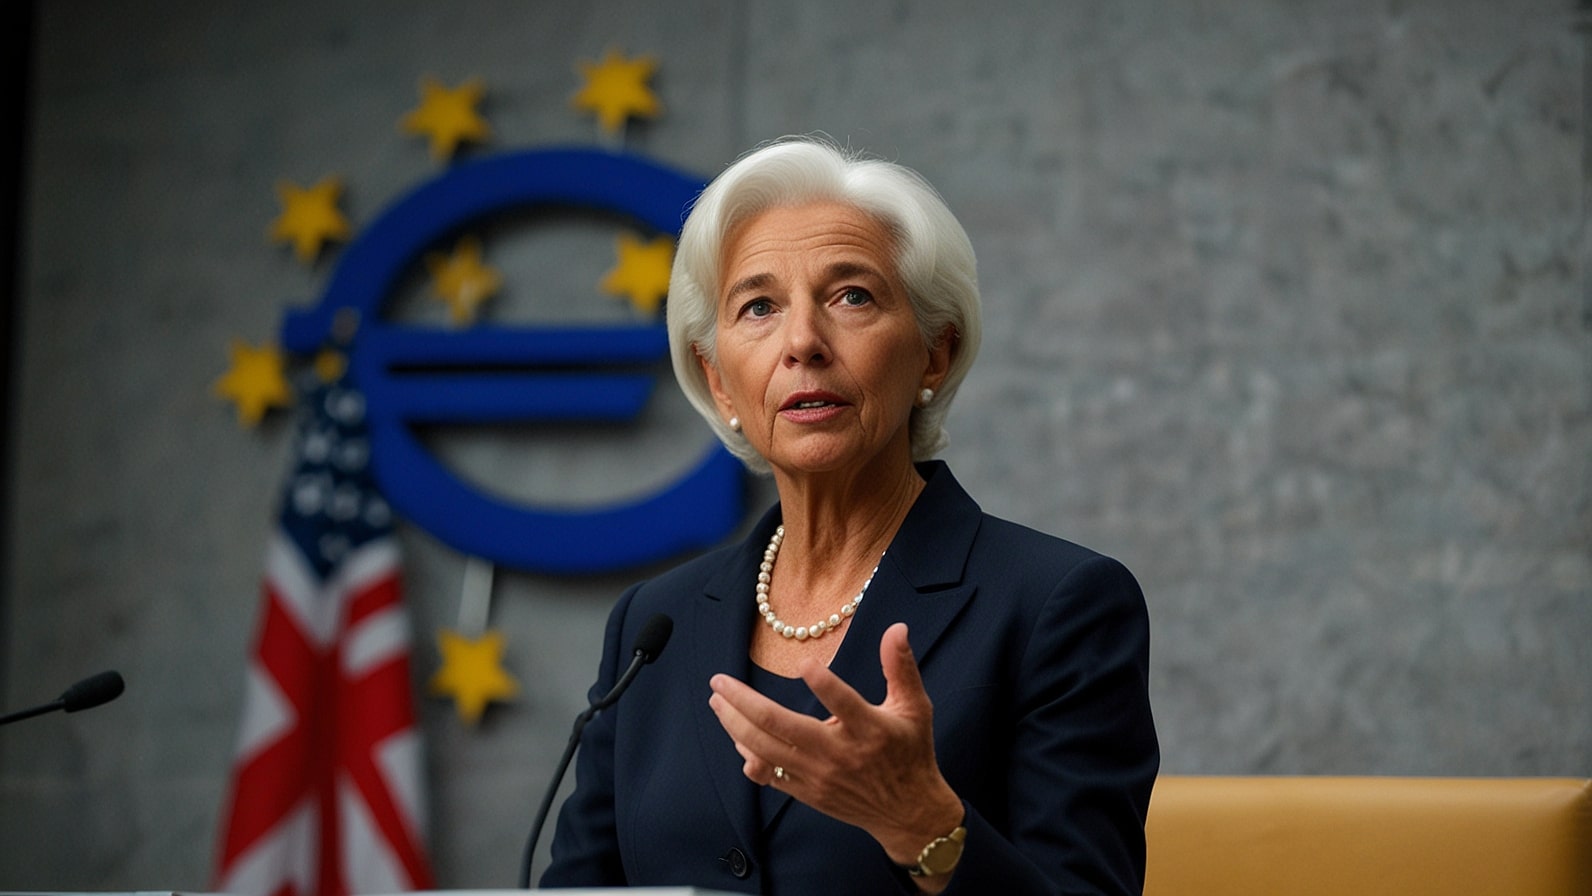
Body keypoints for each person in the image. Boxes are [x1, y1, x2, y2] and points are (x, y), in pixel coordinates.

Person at [539, 136, 1158, 895]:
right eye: (759, 307)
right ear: (719, 380)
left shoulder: (1057, 605)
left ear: (935, 352)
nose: (802, 342)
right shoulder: (651, 627)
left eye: (851, 297)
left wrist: (924, 826)